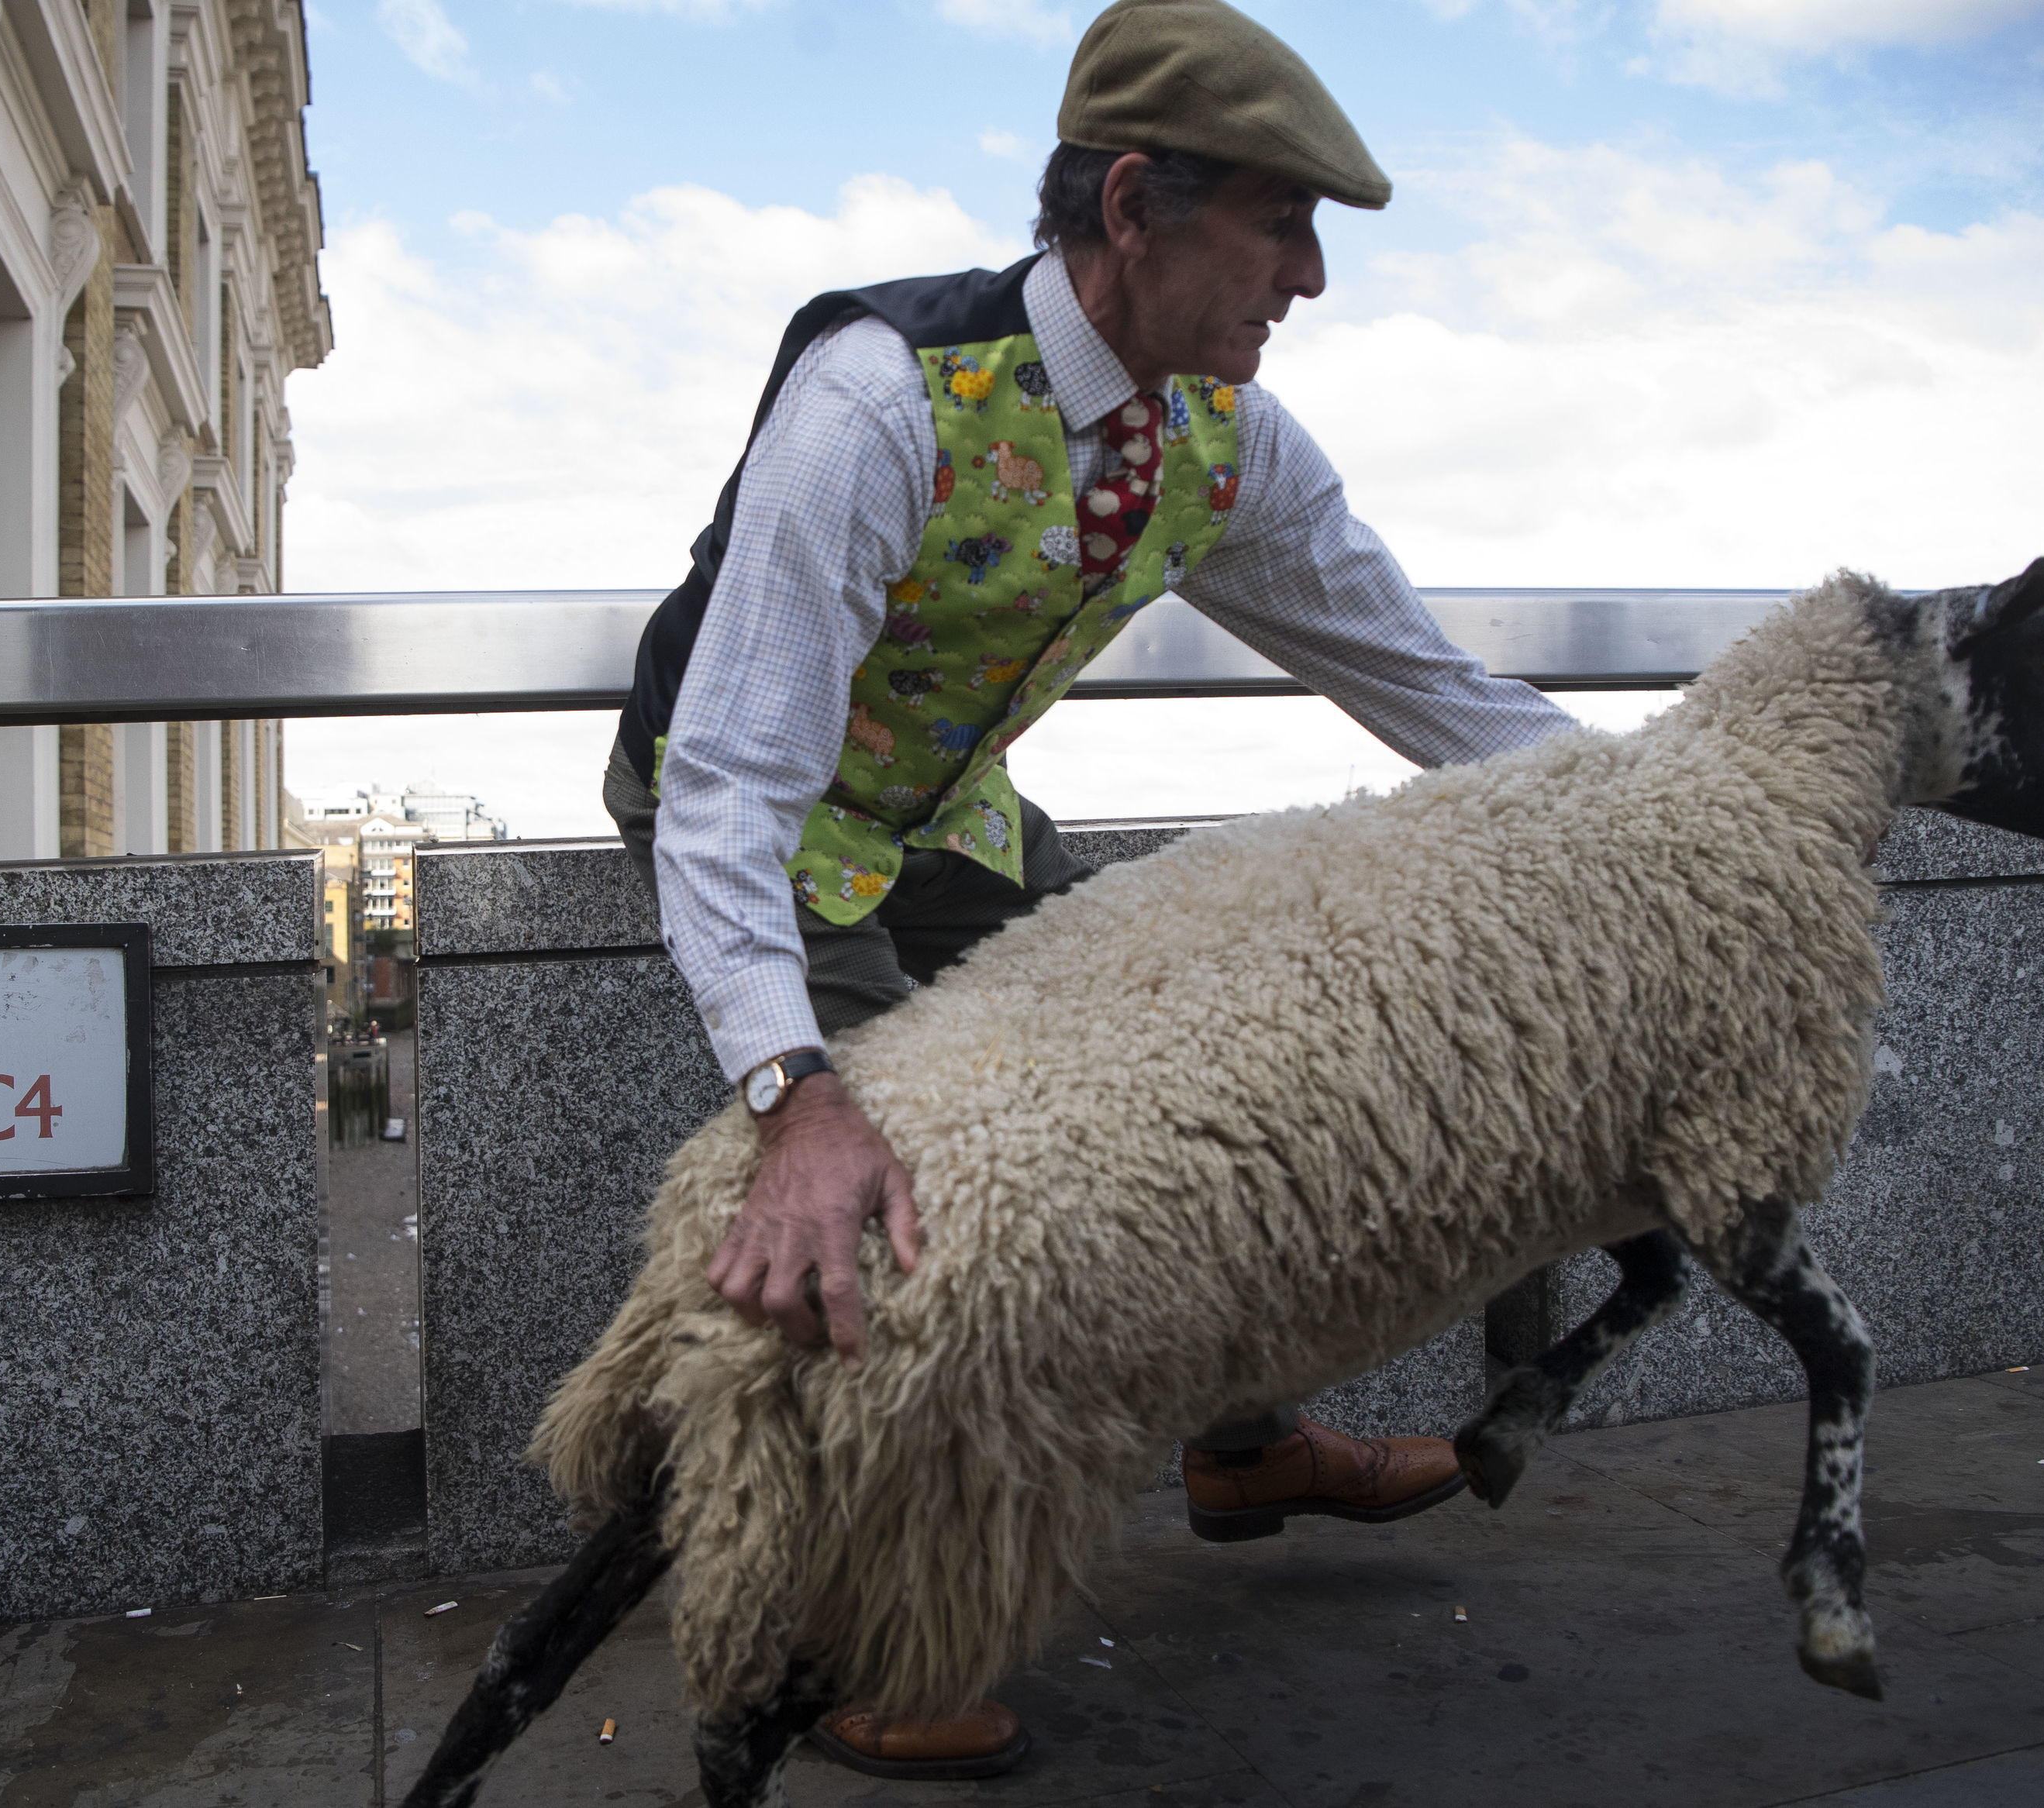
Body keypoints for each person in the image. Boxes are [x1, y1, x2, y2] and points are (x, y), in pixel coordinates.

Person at [603, 0, 1575, 1780]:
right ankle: (846, 1635)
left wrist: (1672, 822)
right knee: (932, 1210)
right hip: (758, 818)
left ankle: (1238, 1440)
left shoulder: (1232, 441)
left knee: (1178, 1095)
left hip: (949, 810)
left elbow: (1433, 689)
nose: (1308, 280)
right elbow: (730, 786)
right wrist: (791, 1091)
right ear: (1133, 205)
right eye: (1278, 225)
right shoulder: (875, 402)